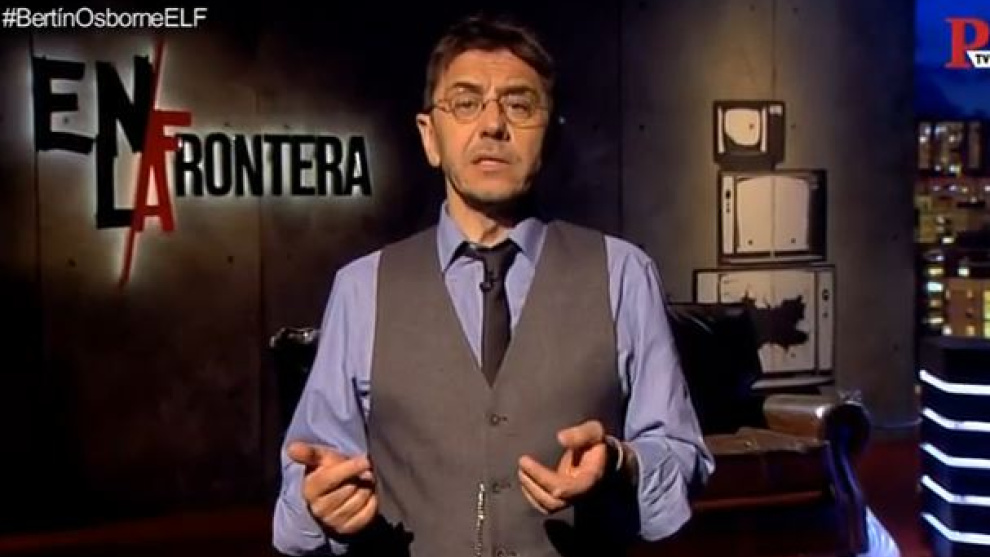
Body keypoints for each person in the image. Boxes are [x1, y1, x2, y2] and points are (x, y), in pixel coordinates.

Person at [272, 13, 713, 557]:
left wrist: (622, 464)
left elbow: (682, 454)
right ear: (430, 137)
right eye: (465, 103)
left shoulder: (623, 273)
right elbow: (300, 497)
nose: (492, 125)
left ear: (550, 135)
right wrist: (319, 503)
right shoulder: (362, 288)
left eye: (519, 105)